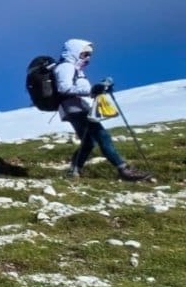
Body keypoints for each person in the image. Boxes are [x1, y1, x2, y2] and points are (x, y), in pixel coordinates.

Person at [54, 39, 150, 181]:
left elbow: (78, 89)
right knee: (102, 135)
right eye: (84, 54)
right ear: (74, 51)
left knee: (88, 142)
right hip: (75, 108)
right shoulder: (66, 66)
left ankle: (74, 171)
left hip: (75, 108)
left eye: (89, 54)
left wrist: (99, 88)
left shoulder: (74, 68)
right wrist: (91, 90)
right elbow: (64, 88)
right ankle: (124, 170)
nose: (88, 57)